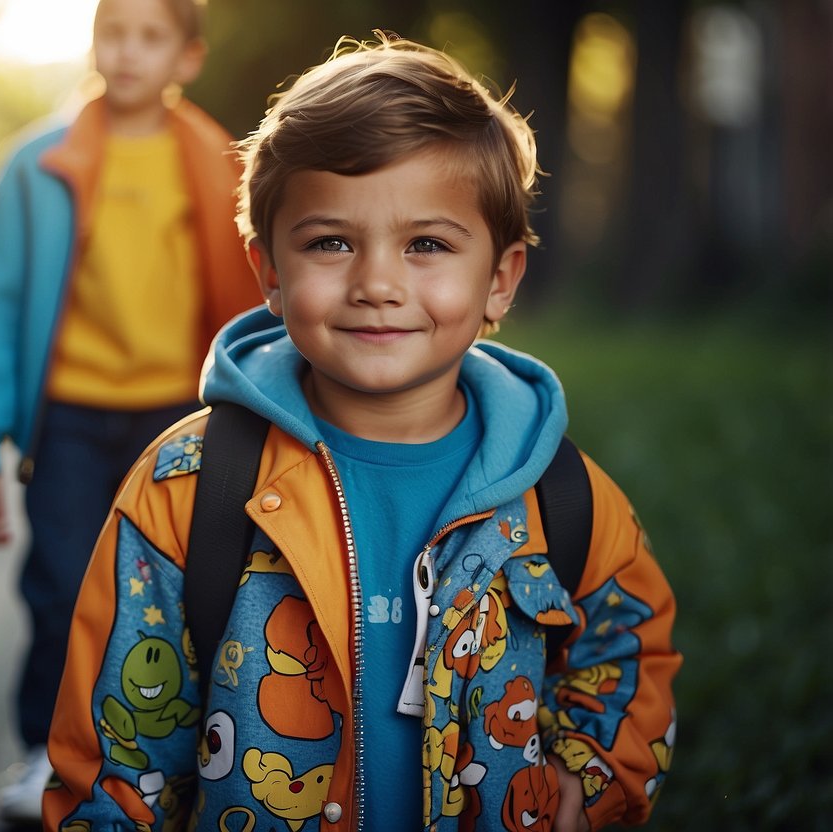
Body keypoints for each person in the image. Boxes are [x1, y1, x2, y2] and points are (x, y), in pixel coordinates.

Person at [43, 33, 681, 832]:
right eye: (330, 243)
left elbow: (628, 652)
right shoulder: (187, 487)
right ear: (269, 272)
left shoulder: (560, 497)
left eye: (426, 245)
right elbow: (117, 745)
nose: (377, 284)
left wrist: (588, 780)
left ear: (500, 279)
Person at [0, 0, 255, 822]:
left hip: (180, 414)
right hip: (71, 416)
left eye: (150, 37)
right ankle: (45, 752)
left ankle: (169, 761)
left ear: (186, 58)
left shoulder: (223, 165)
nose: (126, 53)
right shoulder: (38, 166)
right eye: (112, 32)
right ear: (92, 42)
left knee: (187, 597)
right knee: (62, 589)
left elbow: (258, 290)